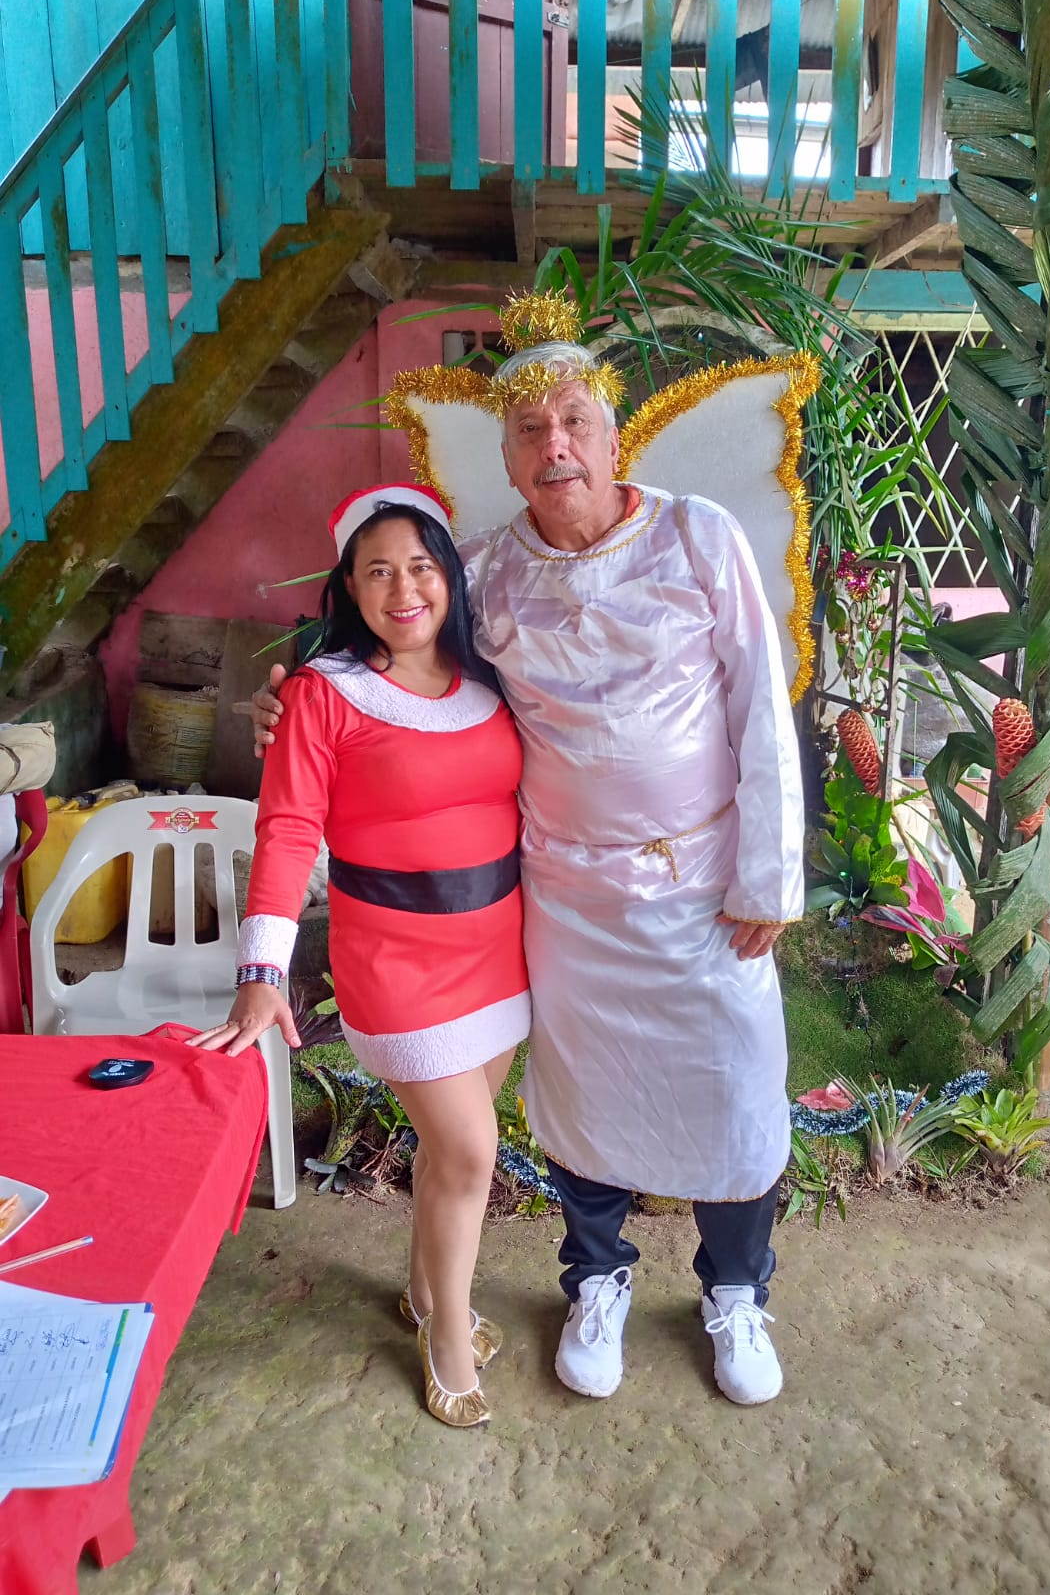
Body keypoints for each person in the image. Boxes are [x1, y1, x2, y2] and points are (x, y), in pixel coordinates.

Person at [253, 328, 805, 1407]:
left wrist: (769, 875)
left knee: (737, 1089)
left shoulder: (699, 537)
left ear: (613, 435)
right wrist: (292, 699)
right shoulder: (486, 574)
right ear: (505, 460)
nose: (556, 445)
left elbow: (760, 707)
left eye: (575, 422)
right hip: (564, 896)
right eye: (530, 430)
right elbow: (395, 653)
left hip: (704, 889)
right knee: (584, 1097)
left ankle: (737, 1290)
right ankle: (595, 1278)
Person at [195, 484, 530, 1429]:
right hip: (396, 960)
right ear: (349, 586)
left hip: (498, 952)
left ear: (449, 575)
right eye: (378, 571)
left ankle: (424, 1293)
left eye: (421, 567)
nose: (404, 589)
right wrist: (261, 973)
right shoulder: (321, 693)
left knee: (448, 1151)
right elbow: (288, 829)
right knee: (470, 1150)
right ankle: (449, 1334)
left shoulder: (489, 676)